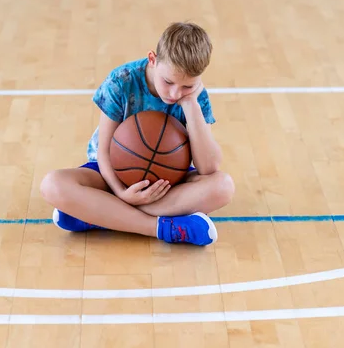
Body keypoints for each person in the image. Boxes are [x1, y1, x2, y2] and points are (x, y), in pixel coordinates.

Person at [40, 22, 235, 246]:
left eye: (187, 87)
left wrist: (190, 103)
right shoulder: (122, 81)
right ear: (152, 59)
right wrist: (121, 193)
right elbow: (103, 151)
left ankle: (100, 214)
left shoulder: (195, 96)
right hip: (112, 174)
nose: (174, 93)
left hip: (168, 182)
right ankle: (160, 228)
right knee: (52, 185)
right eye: (168, 81)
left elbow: (208, 168)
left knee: (223, 186)